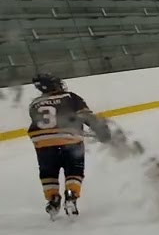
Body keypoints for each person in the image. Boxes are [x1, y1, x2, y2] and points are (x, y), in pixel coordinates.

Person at [26, 74, 112, 219]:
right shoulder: (70, 97)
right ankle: (71, 196)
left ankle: (53, 199)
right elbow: (85, 116)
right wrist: (100, 131)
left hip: (42, 142)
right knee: (74, 168)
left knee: (48, 172)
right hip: (68, 140)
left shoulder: (34, 103)